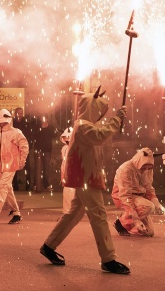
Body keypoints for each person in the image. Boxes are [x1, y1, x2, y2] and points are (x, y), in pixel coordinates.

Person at [39, 86, 130, 275]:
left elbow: (99, 137)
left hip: (86, 177)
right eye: (99, 110)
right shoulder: (83, 125)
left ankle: (49, 246)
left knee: (74, 213)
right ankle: (108, 259)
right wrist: (116, 120)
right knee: (99, 216)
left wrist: (114, 122)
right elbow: (100, 136)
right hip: (86, 178)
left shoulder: (85, 125)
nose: (101, 115)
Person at [0, 108, 29, 225]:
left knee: (3, 187)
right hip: (0, 165)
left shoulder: (16, 132)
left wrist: (22, 161)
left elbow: (24, 147)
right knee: (7, 189)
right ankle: (16, 213)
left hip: (11, 164)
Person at [112, 147, 165, 237]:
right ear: (139, 160)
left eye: (150, 165)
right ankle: (121, 222)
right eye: (145, 164)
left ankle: (129, 223)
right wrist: (136, 220)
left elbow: (148, 187)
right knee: (148, 206)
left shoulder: (148, 169)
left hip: (139, 198)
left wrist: (157, 204)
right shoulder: (125, 169)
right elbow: (125, 195)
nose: (147, 167)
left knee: (149, 232)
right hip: (122, 197)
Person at [34, 116, 56, 192]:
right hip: (39, 150)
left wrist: (47, 127)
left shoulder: (50, 127)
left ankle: (46, 185)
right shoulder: (37, 126)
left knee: (46, 168)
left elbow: (54, 135)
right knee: (38, 168)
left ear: (47, 119)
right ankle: (37, 184)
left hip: (47, 150)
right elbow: (34, 135)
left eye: (45, 118)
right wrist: (41, 128)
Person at [59, 127, 75, 214]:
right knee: (67, 195)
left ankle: (69, 213)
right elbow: (64, 163)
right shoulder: (64, 148)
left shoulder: (77, 148)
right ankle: (67, 213)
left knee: (72, 195)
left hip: (74, 176)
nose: (66, 139)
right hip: (67, 176)